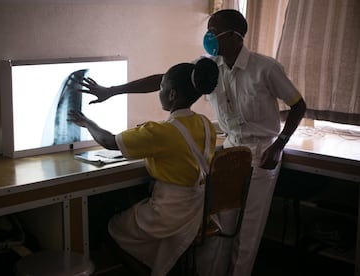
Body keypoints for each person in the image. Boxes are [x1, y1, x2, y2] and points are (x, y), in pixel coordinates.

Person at [74, 9, 306, 276]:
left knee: (248, 232)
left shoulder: (266, 68)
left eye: (214, 30)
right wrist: (112, 91)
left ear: (234, 37)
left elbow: (298, 105)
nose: (209, 36)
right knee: (224, 227)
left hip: (263, 152)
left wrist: (279, 145)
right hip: (232, 151)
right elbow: (166, 80)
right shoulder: (210, 68)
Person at [68, 58, 219, 276]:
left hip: (168, 212)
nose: (159, 90)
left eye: (161, 86)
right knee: (132, 203)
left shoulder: (160, 132)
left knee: (109, 227)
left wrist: (86, 122)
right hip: (195, 211)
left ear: (172, 95)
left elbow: (110, 142)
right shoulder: (206, 124)